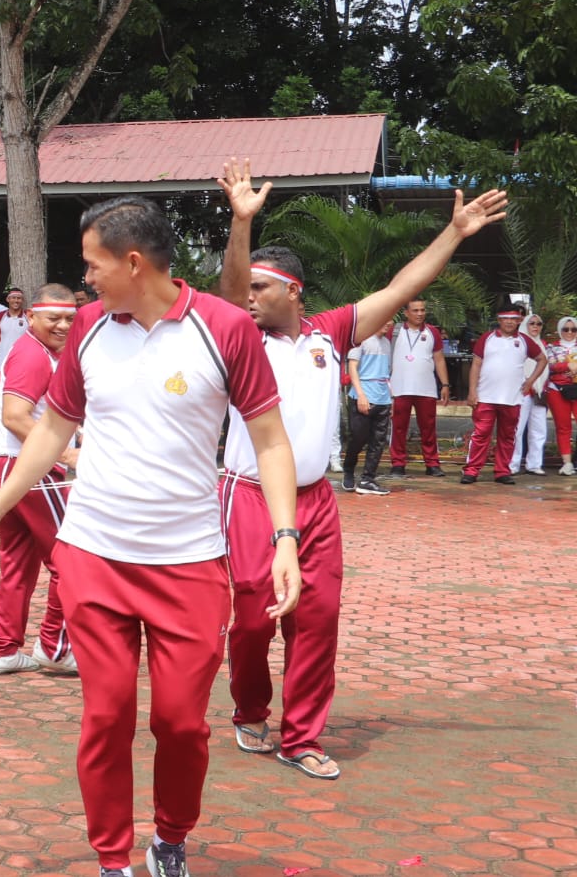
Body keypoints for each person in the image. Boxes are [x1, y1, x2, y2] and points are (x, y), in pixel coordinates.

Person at [0, 195, 302, 877]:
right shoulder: (87, 326)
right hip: (94, 555)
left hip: (189, 562)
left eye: (94, 264)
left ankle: (169, 838)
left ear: (134, 262)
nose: (86, 279)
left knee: (181, 723)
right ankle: (112, 858)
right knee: (105, 716)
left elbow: (270, 440)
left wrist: (285, 536)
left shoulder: (225, 328)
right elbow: (53, 428)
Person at [215, 157, 505, 786]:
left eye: (263, 289)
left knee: (316, 620)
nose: (250, 299)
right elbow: (228, 289)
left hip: (316, 502)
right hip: (247, 497)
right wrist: (241, 225)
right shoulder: (240, 336)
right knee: (253, 614)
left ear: (293, 290)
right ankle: (250, 708)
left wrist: (453, 234)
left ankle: (303, 737)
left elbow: (401, 290)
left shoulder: (329, 333)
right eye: (248, 291)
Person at [0, 283, 79, 676]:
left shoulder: (43, 353)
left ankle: (3, 648)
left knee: (19, 562)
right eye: (53, 317)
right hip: (24, 465)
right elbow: (15, 417)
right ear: (31, 316)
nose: (62, 325)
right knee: (73, 557)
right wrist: (66, 454)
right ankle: (55, 646)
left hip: (5, 463)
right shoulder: (33, 355)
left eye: (70, 318)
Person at [463, 302, 546, 484]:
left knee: (508, 436)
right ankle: (471, 471)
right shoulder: (487, 338)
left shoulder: (524, 340)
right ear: (499, 320)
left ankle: (502, 471)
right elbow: (476, 364)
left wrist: (530, 381)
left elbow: (542, 359)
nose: (509, 322)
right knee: (480, 434)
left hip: (512, 397)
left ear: (518, 321)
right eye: (506, 318)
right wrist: (472, 391)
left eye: (513, 319)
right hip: (485, 396)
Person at [387, 299, 450, 476]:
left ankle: (432, 464)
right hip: (400, 387)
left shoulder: (432, 332)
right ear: (406, 313)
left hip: (426, 388)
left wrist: (444, 384)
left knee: (428, 427)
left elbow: (439, 359)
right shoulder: (394, 331)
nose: (420, 314)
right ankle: (398, 464)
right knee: (399, 428)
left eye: (422, 310)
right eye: (415, 310)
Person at [343, 324, 394, 495]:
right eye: (384, 319)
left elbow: (387, 372)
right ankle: (349, 470)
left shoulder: (387, 343)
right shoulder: (360, 340)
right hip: (362, 396)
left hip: (382, 397)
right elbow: (352, 368)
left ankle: (367, 478)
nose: (387, 324)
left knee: (378, 441)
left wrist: (390, 397)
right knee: (358, 437)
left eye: (390, 320)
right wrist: (360, 394)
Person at [510, 314, 550, 475]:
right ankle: (512, 464)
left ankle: (534, 464)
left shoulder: (543, 345)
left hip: (540, 392)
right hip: (522, 391)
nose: (535, 326)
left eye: (539, 324)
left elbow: (547, 369)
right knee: (517, 429)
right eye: (532, 323)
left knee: (539, 429)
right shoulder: (518, 343)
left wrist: (540, 386)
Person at [543, 317, 577, 474]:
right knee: (563, 427)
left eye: (573, 329)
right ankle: (567, 463)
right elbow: (547, 366)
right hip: (557, 389)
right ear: (559, 330)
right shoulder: (551, 347)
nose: (569, 332)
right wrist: (567, 366)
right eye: (566, 329)